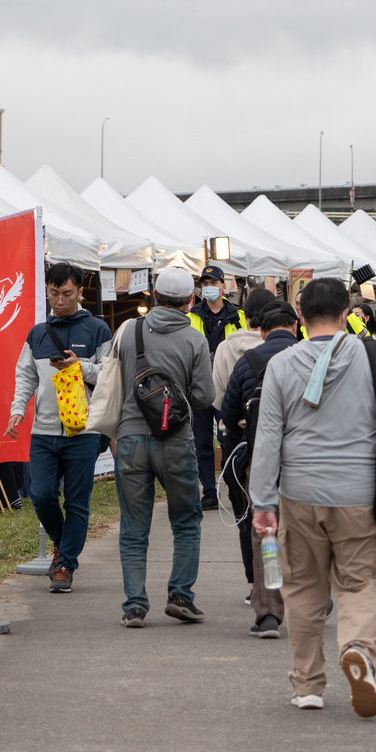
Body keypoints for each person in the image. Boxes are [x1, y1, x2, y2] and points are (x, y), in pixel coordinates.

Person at [250, 278, 376, 716]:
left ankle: (307, 686)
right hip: (360, 493)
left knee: (303, 590)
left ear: (299, 317)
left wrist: (263, 504)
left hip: (299, 494)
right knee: (362, 583)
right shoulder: (372, 355)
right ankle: (357, 650)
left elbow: (267, 438)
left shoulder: (281, 365)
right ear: (346, 314)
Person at [111, 267, 216, 626]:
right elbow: (204, 396)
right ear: (191, 301)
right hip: (175, 440)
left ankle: (135, 605)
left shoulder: (128, 332)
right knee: (186, 521)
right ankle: (181, 596)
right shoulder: (195, 339)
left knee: (134, 526)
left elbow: (114, 379)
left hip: (130, 439)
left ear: (153, 296)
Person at [6, 262, 114, 594]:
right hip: (43, 431)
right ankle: (61, 540)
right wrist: (17, 411)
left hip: (83, 431)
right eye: (54, 294)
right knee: (40, 495)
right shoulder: (37, 333)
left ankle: (65, 564)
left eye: (67, 293)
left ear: (81, 292)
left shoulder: (98, 330)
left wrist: (77, 365)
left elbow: (109, 375)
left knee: (78, 501)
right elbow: (25, 376)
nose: (60, 300)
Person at [219, 299, 300, 637]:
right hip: (308, 464)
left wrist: (243, 453)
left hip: (262, 461)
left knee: (265, 533)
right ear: (295, 327)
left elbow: (228, 414)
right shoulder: (311, 357)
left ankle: (268, 612)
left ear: (261, 331)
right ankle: (316, 595)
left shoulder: (247, 360)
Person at [188, 264, 249, 510]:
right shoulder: (191, 315)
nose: (209, 288)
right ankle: (209, 493)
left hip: (228, 385)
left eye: (213, 283)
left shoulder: (238, 315)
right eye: (205, 283)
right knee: (202, 442)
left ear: (224, 287)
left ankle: (233, 484)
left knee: (228, 437)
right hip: (200, 385)